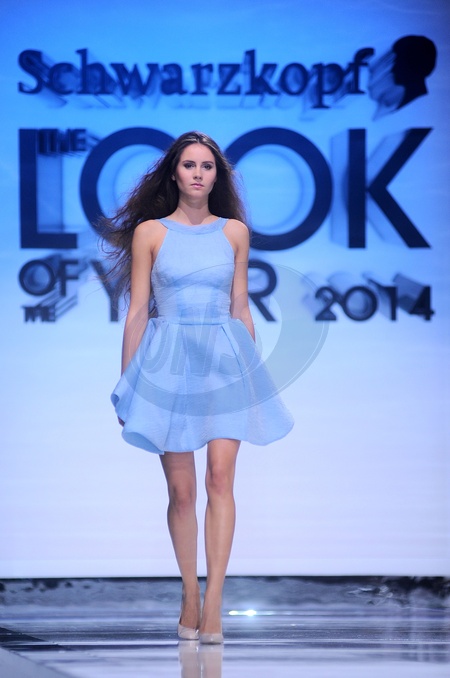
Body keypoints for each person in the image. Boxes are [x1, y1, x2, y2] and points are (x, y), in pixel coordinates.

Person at [102, 131, 293, 644]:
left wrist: (252, 373)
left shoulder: (234, 232)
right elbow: (137, 311)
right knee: (182, 491)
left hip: (225, 362)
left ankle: (214, 604)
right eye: (189, 165)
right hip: (167, 365)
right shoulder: (150, 233)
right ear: (174, 172)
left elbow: (241, 306)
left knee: (220, 480)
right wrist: (129, 382)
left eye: (207, 166)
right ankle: (190, 593)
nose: (197, 173)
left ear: (216, 176)